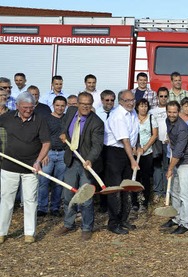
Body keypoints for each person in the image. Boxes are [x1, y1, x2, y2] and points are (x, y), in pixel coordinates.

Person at [0, 92, 51, 244]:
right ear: (17, 106)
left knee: (30, 200)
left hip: (31, 168)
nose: (28, 110)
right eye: (25, 107)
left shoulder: (39, 120)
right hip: (9, 167)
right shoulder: (7, 118)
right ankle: (2, 232)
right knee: (6, 200)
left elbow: (46, 143)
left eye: (31, 107)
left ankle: (29, 232)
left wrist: (38, 161)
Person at [54, 92, 104, 241]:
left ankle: (87, 227)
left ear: (92, 104)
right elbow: (64, 126)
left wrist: (90, 159)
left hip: (87, 164)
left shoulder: (97, 123)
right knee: (68, 194)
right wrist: (63, 134)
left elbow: (97, 146)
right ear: (77, 104)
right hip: (71, 161)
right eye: (82, 104)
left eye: (88, 104)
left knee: (85, 197)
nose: (85, 107)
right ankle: (68, 224)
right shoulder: (70, 112)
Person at [104, 90, 140, 235]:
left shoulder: (132, 113)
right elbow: (124, 139)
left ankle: (123, 219)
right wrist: (132, 160)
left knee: (127, 188)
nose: (131, 103)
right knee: (115, 189)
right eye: (127, 101)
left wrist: (137, 148)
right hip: (115, 153)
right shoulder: (117, 116)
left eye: (133, 100)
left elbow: (133, 134)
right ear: (120, 102)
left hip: (128, 151)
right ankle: (113, 223)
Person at [160, 101, 188, 234]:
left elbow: (178, 152)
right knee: (175, 190)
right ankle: (176, 218)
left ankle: (184, 223)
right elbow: (172, 141)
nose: (171, 114)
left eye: (174, 112)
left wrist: (170, 168)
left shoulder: (182, 128)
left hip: (187, 161)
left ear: (179, 111)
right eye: (169, 112)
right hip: (177, 160)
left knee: (184, 192)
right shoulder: (167, 121)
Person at [37, 96, 67, 217]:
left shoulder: (67, 119)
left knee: (59, 182)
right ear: (53, 105)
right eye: (57, 105)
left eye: (62, 106)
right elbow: (41, 137)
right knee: (43, 181)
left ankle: (55, 207)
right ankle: (42, 207)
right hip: (48, 153)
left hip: (62, 153)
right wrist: (43, 154)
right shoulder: (46, 119)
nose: (60, 108)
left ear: (65, 107)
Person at [132, 98, 158, 212]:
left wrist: (144, 148)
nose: (144, 108)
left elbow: (154, 135)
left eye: (146, 106)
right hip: (133, 152)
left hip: (147, 153)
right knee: (134, 178)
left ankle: (145, 202)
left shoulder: (152, 118)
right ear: (137, 107)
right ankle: (134, 202)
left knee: (145, 177)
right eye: (141, 106)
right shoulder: (132, 118)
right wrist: (134, 148)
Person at [150, 87, 170, 199]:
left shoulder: (170, 110)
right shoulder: (152, 111)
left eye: (165, 96)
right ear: (157, 97)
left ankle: (167, 191)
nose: (163, 98)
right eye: (161, 96)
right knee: (157, 167)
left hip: (168, 142)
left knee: (167, 167)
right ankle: (157, 191)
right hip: (156, 143)